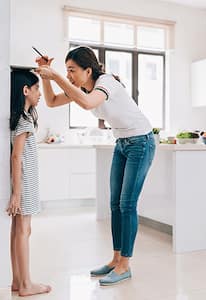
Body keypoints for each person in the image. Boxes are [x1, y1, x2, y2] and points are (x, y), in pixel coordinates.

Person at [35, 46, 156, 286]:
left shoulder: (106, 82)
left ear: (88, 70)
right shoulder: (83, 87)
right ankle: (115, 260)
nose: (68, 75)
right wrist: (45, 74)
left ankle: (125, 266)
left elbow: (89, 104)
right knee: (114, 204)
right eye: (67, 70)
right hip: (123, 142)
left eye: (72, 70)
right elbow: (50, 101)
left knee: (127, 204)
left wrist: (56, 76)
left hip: (141, 141)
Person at [7, 69, 51, 296]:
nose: (40, 94)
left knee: (18, 230)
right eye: (36, 89)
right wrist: (16, 193)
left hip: (22, 185)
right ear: (26, 91)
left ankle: (17, 280)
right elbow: (16, 156)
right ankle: (26, 284)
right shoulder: (23, 122)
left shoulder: (19, 118)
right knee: (24, 230)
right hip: (24, 185)